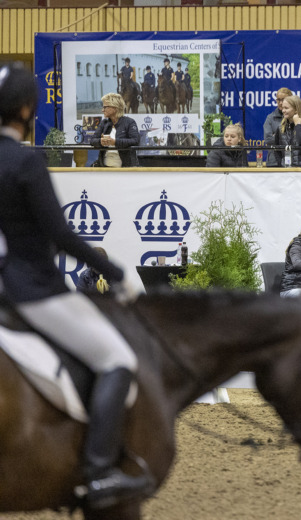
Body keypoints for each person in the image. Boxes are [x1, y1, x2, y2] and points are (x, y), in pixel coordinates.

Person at [0, 63, 151, 508]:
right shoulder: (26, 161)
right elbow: (60, 235)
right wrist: (118, 274)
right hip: (30, 291)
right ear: (28, 109)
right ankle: (99, 472)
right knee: (118, 358)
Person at [90, 93, 140, 167]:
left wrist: (115, 142)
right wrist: (100, 142)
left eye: (105, 107)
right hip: (104, 167)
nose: (102, 110)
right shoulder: (104, 123)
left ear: (115, 107)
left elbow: (135, 141)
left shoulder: (129, 122)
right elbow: (92, 140)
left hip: (126, 168)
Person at [273, 95, 301, 167]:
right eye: (283, 108)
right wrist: (280, 164)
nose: (283, 110)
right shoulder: (280, 128)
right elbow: (276, 150)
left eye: (286, 108)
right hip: (285, 170)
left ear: (296, 109)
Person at [263, 87, 292, 167]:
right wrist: (286, 137)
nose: (281, 103)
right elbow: (268, 140)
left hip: (292, 161)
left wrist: (276, 136)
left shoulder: (296, 117)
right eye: (278, 100)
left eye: (283, 99)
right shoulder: (270, 118)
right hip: (274, 162)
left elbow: (299, 140)